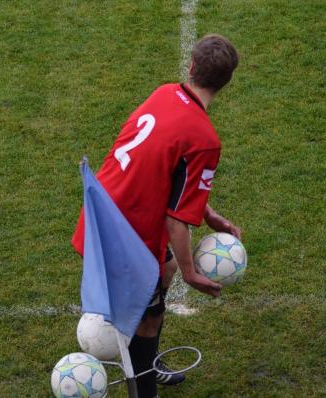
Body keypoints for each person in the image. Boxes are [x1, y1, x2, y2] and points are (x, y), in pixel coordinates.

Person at [72, 34, 240, 398]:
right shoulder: (206, 140)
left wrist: (207, 213)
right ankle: (144, 389)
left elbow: (164, 171)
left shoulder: (164, 93)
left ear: (191, 67)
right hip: (126, 236)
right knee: (147, 320)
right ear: (226, 82)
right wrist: (193, 273)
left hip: (103, 210)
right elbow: (176, 221)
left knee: (166, 270)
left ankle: (150, 362)